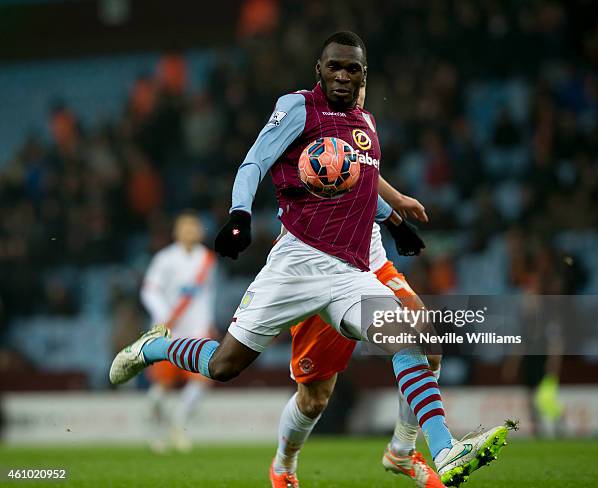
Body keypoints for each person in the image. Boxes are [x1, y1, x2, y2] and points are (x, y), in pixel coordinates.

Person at [110, 31, 508, 487]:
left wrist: (396, 218)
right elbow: (254, 162)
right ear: (319, 69)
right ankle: (155, 346)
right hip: (296, 265)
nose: (342, 75)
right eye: (334, 66)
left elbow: (360, 184)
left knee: (409, 334)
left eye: (351, 68)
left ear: (363, 75)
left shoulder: (366, 126)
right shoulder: (299, 107)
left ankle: (443, 449)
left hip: (351, 273)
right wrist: (240, 215)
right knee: (224, 366)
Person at [269, 85, 443, 488]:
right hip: (316, 267)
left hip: (371, 263)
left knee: (427, 344)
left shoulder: (364, 125)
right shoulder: (305, 127)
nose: (353, 87)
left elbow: (363, 173)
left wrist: (396, 203)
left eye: (359, 78)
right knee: (315, 398)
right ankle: (283, 464)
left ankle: (402, 449)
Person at [140, 210, 217, 452]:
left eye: (194, 227)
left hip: (197, 332)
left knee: (201, 381)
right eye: (186, 227)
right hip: (169, 332)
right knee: (161, 387)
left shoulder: (207, 259)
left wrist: (208, 323)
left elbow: (208, 296)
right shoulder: (165, 259)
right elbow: (149, 290)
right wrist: (163, 315)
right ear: (176, 232)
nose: (190, 231)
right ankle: (156, 430)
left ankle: (179, 421)